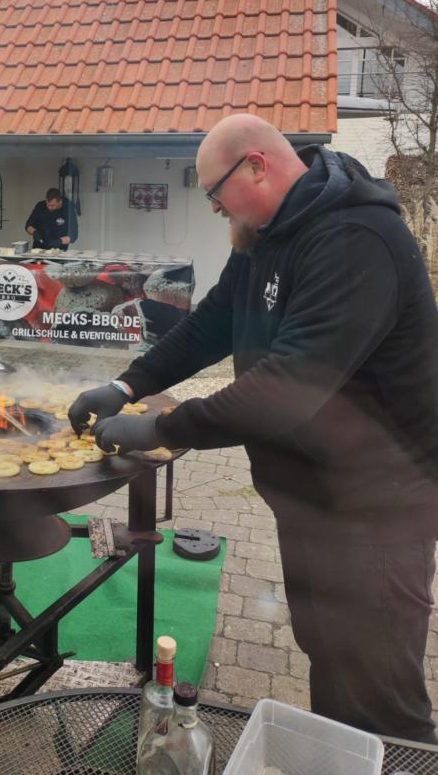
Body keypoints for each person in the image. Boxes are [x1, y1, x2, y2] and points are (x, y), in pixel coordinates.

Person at [68, 113, 438, 744]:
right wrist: (128, 385)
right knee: (329, 654)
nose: (214, 208)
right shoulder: (266, 236)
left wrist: (163, 427)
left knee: (382, 696)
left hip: (377, 512)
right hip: (312, 501)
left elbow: (285, 391)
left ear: (258, 167)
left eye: (215, 193)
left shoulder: (357, 240)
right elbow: (211, 324)